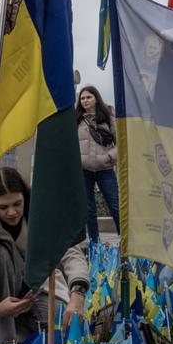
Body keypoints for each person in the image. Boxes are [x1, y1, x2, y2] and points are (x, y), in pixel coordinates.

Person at [0, 167, 89, 344]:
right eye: (3, 207)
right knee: (0, 253)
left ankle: (29, 332)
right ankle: (5, 343)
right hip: (4, 298)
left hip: (40, 289)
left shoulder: (41, 214)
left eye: (17, 204)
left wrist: (77, 295)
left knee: (64, 333)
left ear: (25, 198)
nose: (12, 212)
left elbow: (71, 253)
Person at [76, 85, 120, 242]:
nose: (85, 101)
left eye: (88, 97)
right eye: (82, 98)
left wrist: (110, 157)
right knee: (89, 210)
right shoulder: (77, 120)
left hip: (105, 169)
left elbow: (121, 141)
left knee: (115, 205)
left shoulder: (108, 116)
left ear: (96, 98)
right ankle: (94, 244)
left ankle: (126, 241)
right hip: (84, 170)